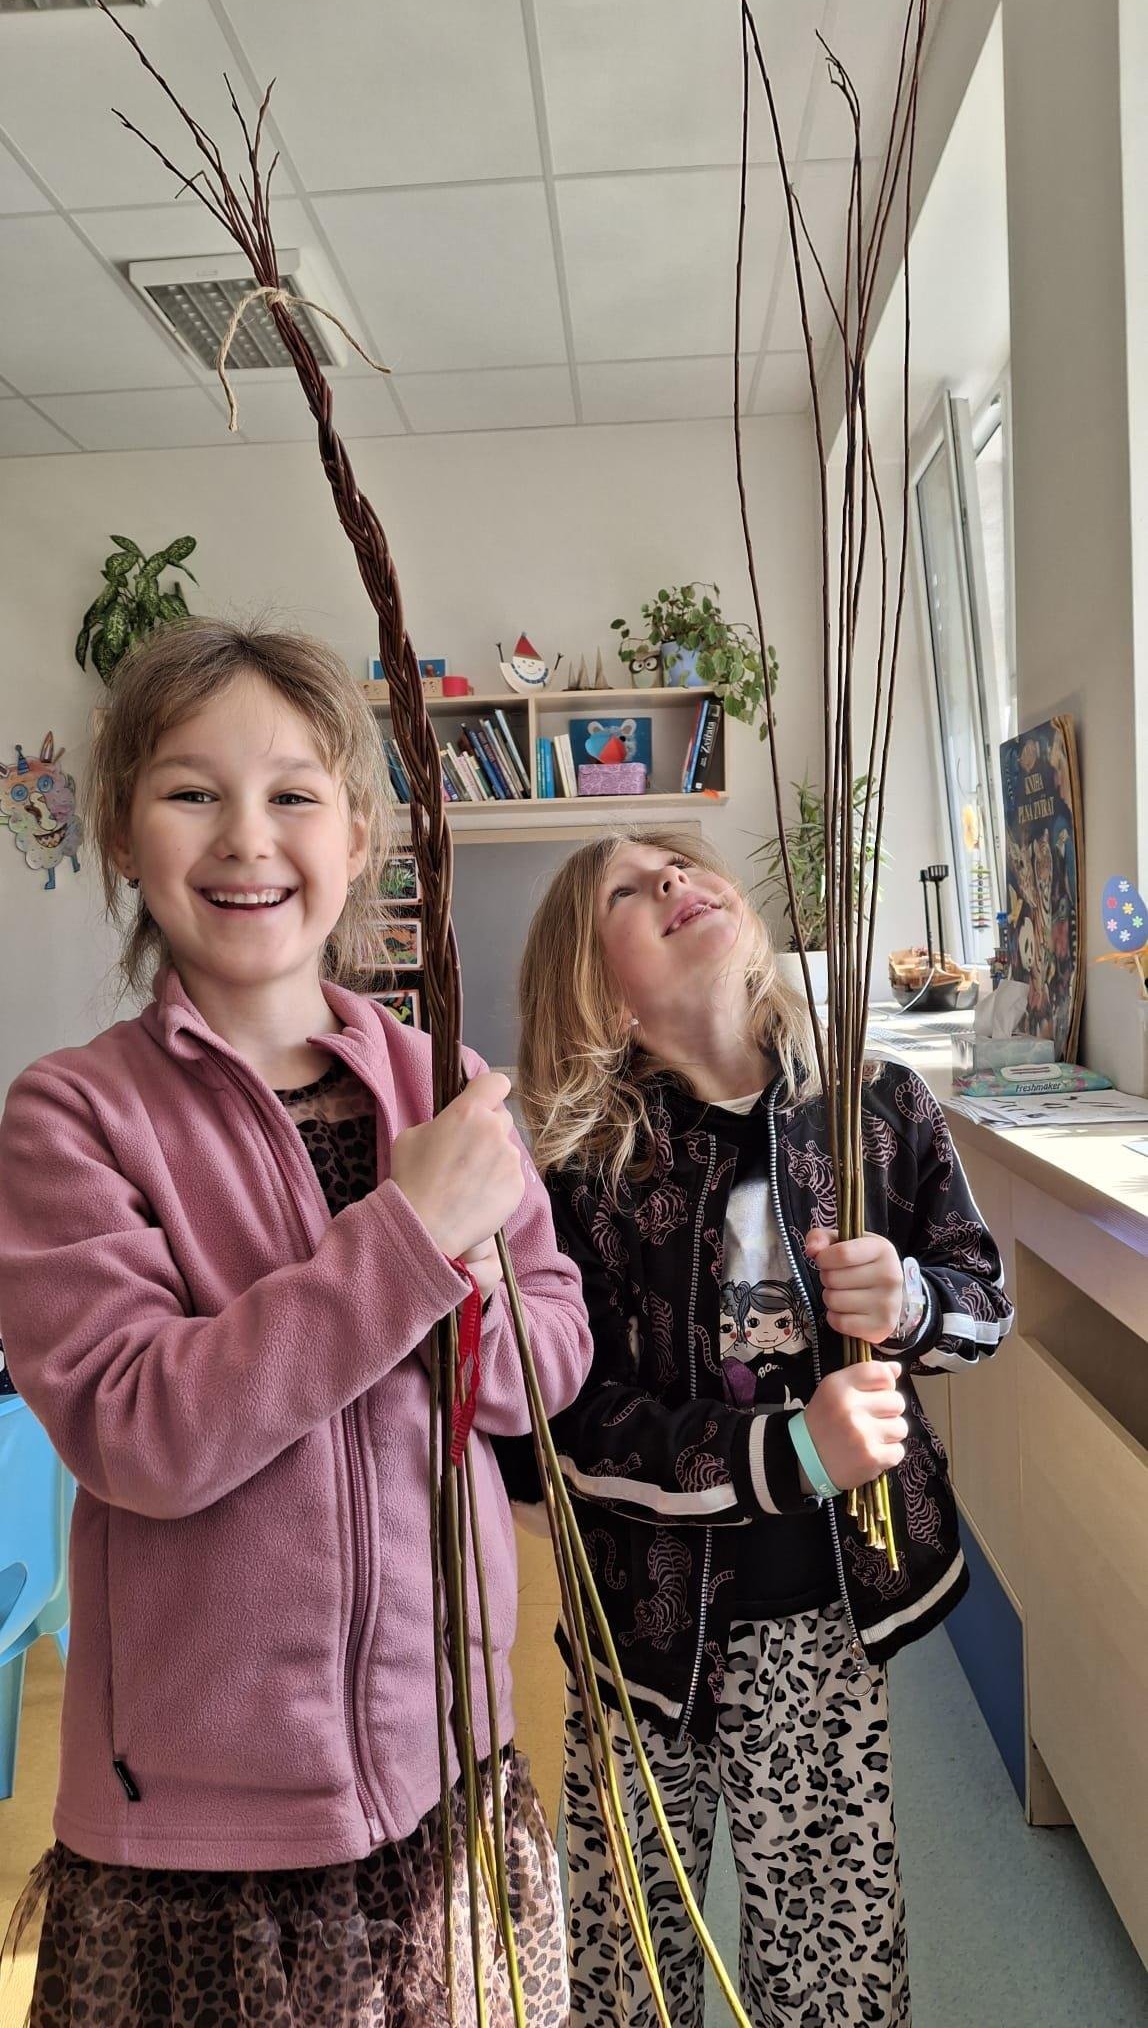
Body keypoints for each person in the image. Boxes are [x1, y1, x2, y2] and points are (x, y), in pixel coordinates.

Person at [0, 619, 591, 2027]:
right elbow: (139, 1431)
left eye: (292, 794)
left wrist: (469, 1279)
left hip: (445, 1762)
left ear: (360, 832)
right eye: (190, 792)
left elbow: (548, 1360)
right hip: (202, 1828)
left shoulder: (442, 1087)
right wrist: (405, 1242)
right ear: (122, 834)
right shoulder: (74, 1115)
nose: (246, 838)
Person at [512, 830, 1013, 2028]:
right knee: (627, 1957)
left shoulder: (875, 1104)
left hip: (819, 1617)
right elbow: (564, 1425)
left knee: (832, 1957)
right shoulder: (583, 1171)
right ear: (598, 993)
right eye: (626, 891)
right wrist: (786, 1455)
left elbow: (983, 1308)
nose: (671, 881)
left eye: (679, 863)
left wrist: (909, 1303)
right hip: (637, 1633)